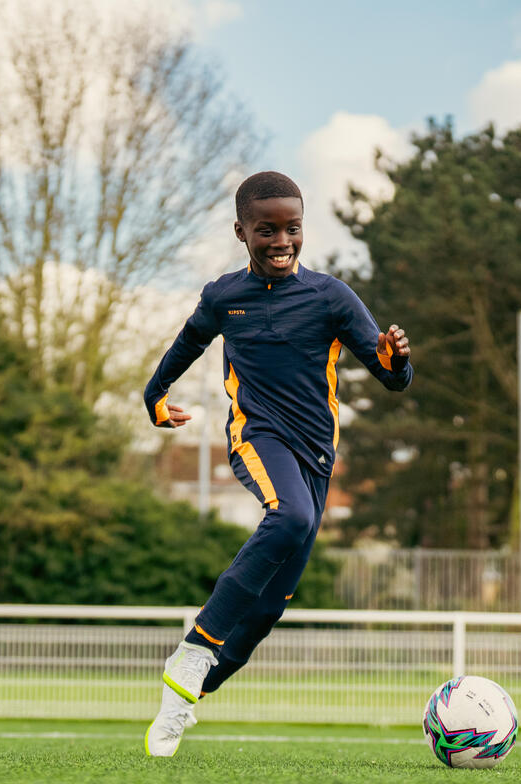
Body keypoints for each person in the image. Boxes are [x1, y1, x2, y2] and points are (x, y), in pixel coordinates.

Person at [143, 171, 412, 756]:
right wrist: (154, 396)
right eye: (267, 230)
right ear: (242, 232)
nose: (281, 240)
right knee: (287, 518)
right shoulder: (223, 297)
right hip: (257, 435)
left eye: (292, 228)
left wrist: (397, 361)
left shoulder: (331, 297)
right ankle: (194, 648)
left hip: (316, 455)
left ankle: (178, 706)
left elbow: (390, 375)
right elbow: (187, 344)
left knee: (267, 611)